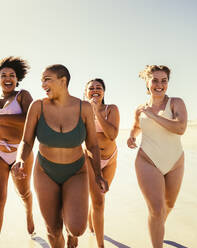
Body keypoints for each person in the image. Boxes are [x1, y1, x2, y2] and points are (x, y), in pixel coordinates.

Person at [12, 64, 109, 248]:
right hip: (45, 171)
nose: (42, 85)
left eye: (47, 80)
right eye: (42, 81)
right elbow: (26, 141)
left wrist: (97, 174)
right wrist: (20, 159)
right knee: (53, 230)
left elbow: (93, 145)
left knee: (77, 229)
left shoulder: (84, 108)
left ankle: (72, 236)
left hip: (76, 172)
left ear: (63, 81)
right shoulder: (38, 106)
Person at [127, 65, 187, 248]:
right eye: (155, 80)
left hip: (175, 162)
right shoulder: (140, 109)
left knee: (168, 206)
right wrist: (131, 136)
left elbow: (180, 128)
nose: (159, 85)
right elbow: (137, 126)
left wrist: (152, 115)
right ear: (147, 82)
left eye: (164, 80)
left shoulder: (176, 103)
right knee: (156, 210)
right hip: (147, 161)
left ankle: (157, 227)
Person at [0, 56, 34, 248]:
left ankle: (29, 212)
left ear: (17, 78)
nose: (7, 78)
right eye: (3, 75)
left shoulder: (23, 95)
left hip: (19, 152)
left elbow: (30, 119)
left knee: (24, 192)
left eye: (11, 75)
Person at [84, 78, 120, 248]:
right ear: (86, 93)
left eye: (99, 87)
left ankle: (93, 228)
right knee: (98, 201)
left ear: (104, 92)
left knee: (99, 197)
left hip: (111, 159)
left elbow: (112, 135)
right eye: (91, 88)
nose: (95, 90)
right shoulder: (81, 111)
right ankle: (100, 245)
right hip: (91, 160)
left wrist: (96, 111)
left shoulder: (111, 109)